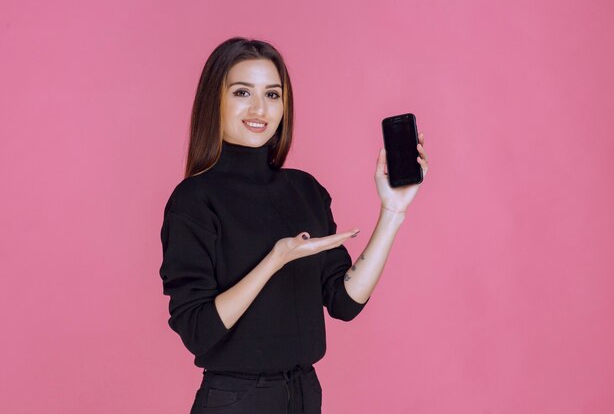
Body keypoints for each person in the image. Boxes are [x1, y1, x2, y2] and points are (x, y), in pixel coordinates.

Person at [158, 37, 429, 414]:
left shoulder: (305, 189)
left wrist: (392, 212)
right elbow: (198, 331)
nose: (259, 108)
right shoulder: (194, 200)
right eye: (242, 92)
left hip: (303, 393)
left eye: (272, 95)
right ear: (214, 101)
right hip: (236, 399)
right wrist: (275, 259)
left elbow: (344, 302)